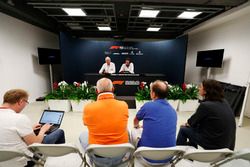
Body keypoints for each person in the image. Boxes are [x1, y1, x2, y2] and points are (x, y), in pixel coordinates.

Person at [0, 89, 65, 167]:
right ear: (20, 101)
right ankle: (59, 160)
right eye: (26, 102)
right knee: (59, 132)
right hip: (22, 161)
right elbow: (35, 144)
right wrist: (43, 130)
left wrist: (29, 129)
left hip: (2, 161)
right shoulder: (19, 118)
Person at [79, 78, 129, 166]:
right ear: (113, 89)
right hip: (119, 156)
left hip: (98, 156)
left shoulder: (88, 108)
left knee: (82, 135)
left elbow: (85, 123)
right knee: (127, 130)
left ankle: (92, 161)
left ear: (97, 91)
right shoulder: (123, 105)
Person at [176, 79, 236, 150]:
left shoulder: (206, 106)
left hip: (215, 144)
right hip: (228, 144)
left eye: (200, 87)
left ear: (206, 91)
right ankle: (191, 153)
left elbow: (191, 122)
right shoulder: (224, 101)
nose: (199, 88)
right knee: (194, 127)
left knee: (183, 130)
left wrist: (186, 124)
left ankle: (178, 154)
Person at [132, 80, 177, 163]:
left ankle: (134, 157)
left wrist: (137, 126)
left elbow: (135, 120)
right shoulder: (173, 111)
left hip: (147, 156)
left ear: (153, 94)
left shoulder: (148, 105)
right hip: (168, 157)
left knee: (134, 130)